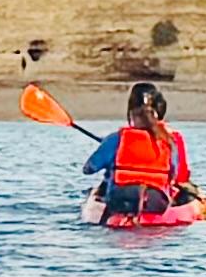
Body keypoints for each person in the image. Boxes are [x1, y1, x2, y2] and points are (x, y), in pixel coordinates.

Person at [79, 80, 198, 220]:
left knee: (107, 181)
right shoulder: (169, 141)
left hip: (120, 201)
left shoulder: (117, 138)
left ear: (132, 114)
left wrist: (109, 153)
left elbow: (88, 169)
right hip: (156, 203)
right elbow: (177, 175)